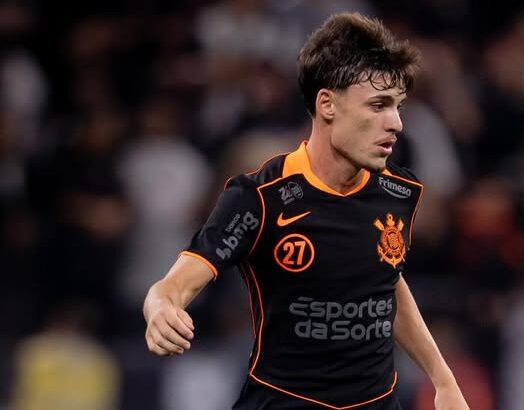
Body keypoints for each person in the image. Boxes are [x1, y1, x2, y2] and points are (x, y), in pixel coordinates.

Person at [143, 12, 469, 410]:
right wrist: (160, 307)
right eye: (378, 105)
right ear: (327, 104)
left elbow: (386, 282)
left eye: (398, 106)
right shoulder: (261, 197)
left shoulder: (397, 191)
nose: (396, 123)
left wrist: (442, 378)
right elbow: (176, 283)